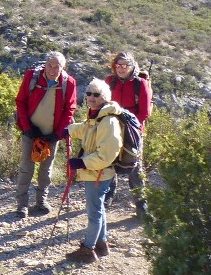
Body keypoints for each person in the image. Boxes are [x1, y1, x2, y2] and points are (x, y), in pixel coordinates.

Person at [64, 79, 123, 264]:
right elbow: (85, 128)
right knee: (98, 209)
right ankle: (102, 244)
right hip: (95, 172)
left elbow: (106, 154)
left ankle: (87, 249)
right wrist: (68, 131)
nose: (91, 97)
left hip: (99, 173)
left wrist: (82, 163)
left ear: (104, 97)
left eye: (96, 95)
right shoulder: (96, 116)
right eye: (89, 93)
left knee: (94, 211)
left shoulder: (108, 121)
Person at [14, 51, 77, 219]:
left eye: (57, 67)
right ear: (45, 64)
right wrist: (27, 128)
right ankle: (22, 205)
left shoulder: (68, 83)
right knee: (26, 168)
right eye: (50, 65)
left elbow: (70, 109)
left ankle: (41, 201)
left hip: (51, 135)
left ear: (63, 68)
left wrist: (57, 134)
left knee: (45, 170)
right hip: (30, 132)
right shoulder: (32, 77)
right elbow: (20, 101)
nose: (52, 69)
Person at [104, 51, 152, 217]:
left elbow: (144, 112)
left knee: (135, 166)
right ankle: (108, 195)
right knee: (108, 161)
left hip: (133, 130)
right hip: (111, 128)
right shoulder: (110, 82)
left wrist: (130, 125)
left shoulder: (140, 84)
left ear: (132, 67)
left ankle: (141, 204)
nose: (121, 69)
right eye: (118, 65)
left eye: (125, 65)